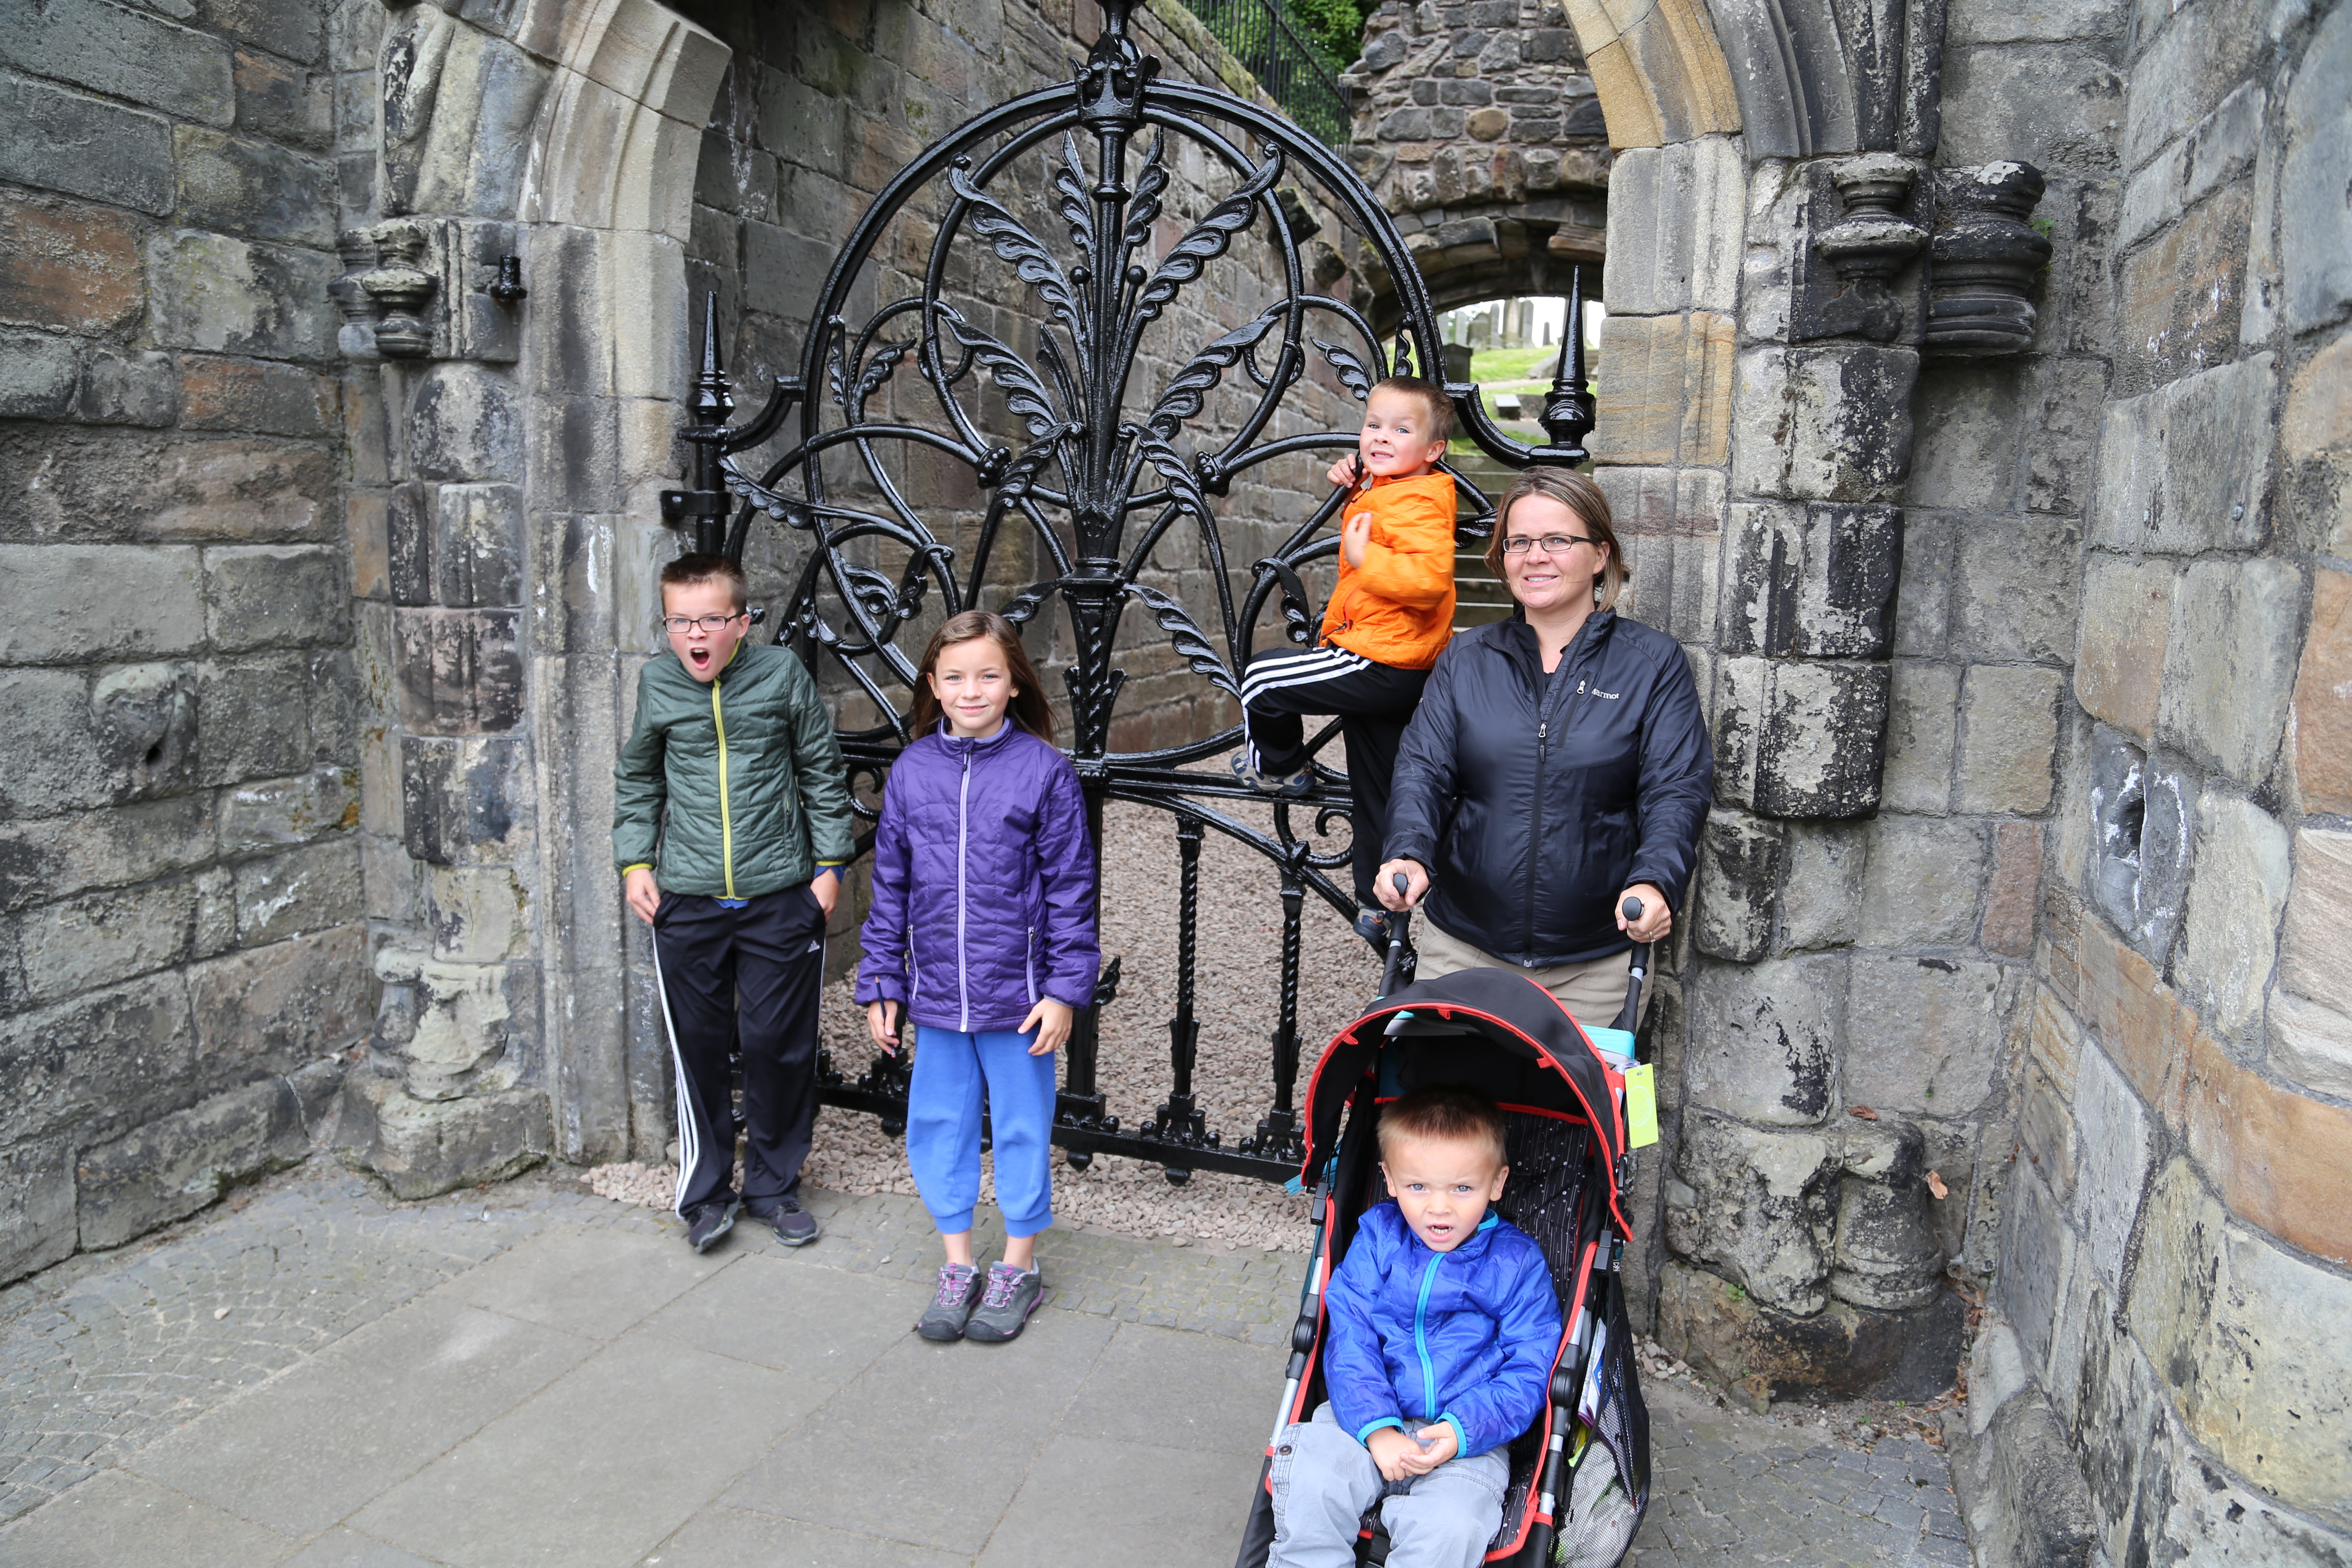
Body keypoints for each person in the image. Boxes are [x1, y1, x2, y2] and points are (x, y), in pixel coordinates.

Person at [1378, 467, 1712, 1032]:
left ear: (1600, 555)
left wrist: (1657, 879)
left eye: (1558, 540)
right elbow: (1424, 770)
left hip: (1594, 964)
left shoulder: (1652, 664)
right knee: (1447, 1114)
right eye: (1519, 542)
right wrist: (1408, 849)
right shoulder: (1468, 659)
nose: (1536, 556)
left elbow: (1676, 788)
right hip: (1464, 949)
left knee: (1569, 1119)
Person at [857, 609, 1101, 1344]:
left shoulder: (1043, 771)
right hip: (934, 996)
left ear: (1014, 683)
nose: (972, 690)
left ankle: (1019, 1264)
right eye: (955, 676)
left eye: (988, 675)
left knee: (1023, 1127)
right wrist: (881, 982)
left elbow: (1071, 889)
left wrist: (1063, 990)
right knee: (938, 1123)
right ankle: (958, 1262)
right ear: (933, 683)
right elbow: (889, 888)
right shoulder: (912, 771)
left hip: (1018, 1000)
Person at [614, 553, 854, 1252]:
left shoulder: (779, 674)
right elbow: (637, 781)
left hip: (778, 893)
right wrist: (635, 862)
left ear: (740, 623)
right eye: (679, 621)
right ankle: (706, 1193)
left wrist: (829, 867)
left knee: (776, 1045)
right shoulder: (657, 682)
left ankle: (774, 1186)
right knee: (698, 1048)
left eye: (709, 619)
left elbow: (820, 770)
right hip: (685, 899)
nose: (693, 634)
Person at [1268, 1086, 1560, 1568]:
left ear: (1497, 1183)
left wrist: (1461, 1430)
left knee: (1453, 1527)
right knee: (1313, 1475)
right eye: (1418, 1187)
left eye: (1462, 1188)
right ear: (1389, 1180)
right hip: (1362, 1416)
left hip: (1468, 1439)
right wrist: (1377, 1429)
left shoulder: (1517, 1262)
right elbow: (1351, 1336)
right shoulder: (1379, 1237)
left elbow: (1531, 1368)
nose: (1439, 1208)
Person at [1231, 376, 1459, 945]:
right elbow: (1382, 510)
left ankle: (1283, 768)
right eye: (1374, 425)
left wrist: (1366, 554)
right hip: (1396, 663)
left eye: (1401, 430)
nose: (1382, 437)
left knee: (1262, 679)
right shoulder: (1398, 487)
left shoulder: (1426, 501)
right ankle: (1379, 908)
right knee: (1377, 787)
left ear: (1433, 451)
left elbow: (1428, 583)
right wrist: (1357, 482)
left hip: (1381, 657)